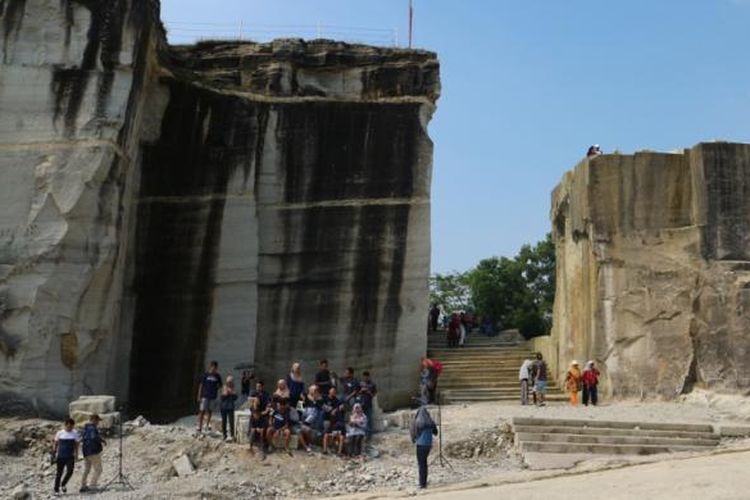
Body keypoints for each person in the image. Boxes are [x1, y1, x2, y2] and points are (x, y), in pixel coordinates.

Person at [410, 404, 438, 490]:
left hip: (420, 445)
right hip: (428, 445)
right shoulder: (430, 422)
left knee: (421, 464)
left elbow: (413, 433)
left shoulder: (417, 422)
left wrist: (413, 440)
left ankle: (422, 484)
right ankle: (424, 482)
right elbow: (436, 433)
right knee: (424, 464)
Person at [79, 414, 106, 493]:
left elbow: (83, 439)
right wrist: (101, 440)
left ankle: (83, 485)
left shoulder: (85, 428)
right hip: (93, 451)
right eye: (97, 421)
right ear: (94, 419)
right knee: (99, 469)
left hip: (86, 452)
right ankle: (93, 486)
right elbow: (93, 437)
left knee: (87, 469)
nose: (98, 423)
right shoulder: (92, 428)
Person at [53, 418, 79, 495]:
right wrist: (54, 452)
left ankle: (63, 483)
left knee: (70, 471)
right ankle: (56, 490)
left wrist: (76, 454)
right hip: (60, 456)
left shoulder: (75, 433)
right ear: (65, 425)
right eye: (69, 426)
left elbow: (77, 445)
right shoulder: (60, 433)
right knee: (59, 473)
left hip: (70, 456)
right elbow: (56, 443)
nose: (70, 428)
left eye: (72, 427)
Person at [196, 360, 222, 432]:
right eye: (212, 367)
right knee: (202, 411)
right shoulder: (205, 375)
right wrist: (199, 395)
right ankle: (199, 426)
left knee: (210, 411)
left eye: (215, 368)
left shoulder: (217, 376)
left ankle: (207, 425)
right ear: (210, 367)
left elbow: (220, 386)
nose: (214, 369)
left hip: (213, 396)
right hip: (204, 395)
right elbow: (201, 385)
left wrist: (218, 392)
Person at [298, 385, 324, 454]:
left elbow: (319, 407)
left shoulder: (319, 398)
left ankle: (306, 423)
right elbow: (300, 407)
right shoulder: (305, 396)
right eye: (311, 389)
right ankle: (306, 446)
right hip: (305, 412)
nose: (312, 391)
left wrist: (314, 399)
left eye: (314, 390)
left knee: (314, 410)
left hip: (314, 416)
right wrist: (303, 400)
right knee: (304, 407)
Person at [322, 387, 346, 455]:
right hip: (327, 420)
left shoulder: (337, 401)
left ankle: (339, 452)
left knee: (340, 436)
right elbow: (322, 405)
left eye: (334, 391)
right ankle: (325, 450)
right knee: (326, 434)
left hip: (337, 428)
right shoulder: (325, 398)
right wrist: (331, 410)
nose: (333, 392)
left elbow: (342, 429)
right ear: (329, 391)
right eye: (332, 391)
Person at [358, 371, 377, 437]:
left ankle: (369, 433)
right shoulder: (360, 384)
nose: (365, 378)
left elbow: (373, 395)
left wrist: (368, 391)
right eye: (364, 377)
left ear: (368, 377)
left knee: (369, 419)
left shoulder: (372, 384)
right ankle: (363, 432)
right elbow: (357, 393)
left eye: (366, 377)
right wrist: (361, 390)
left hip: (368, 404)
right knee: (362, 419)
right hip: (361, 404)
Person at [220, 376, 238, 441]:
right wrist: (225, 394)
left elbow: (235, 397)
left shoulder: (233, 388)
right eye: (228, 382)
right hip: (224, 407)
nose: (229, 383)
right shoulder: (224, 387)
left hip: (230, 407)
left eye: (230, 382)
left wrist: (232, 393)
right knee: (224, 421)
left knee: (231, 421)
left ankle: (232, 435)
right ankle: (224, 435)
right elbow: (221, 398)